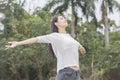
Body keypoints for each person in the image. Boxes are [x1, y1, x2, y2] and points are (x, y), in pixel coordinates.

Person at [5, 15, 86, 80]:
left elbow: (78, 45)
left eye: (64, 18)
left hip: (76, 74)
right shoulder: (54, 36)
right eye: (61, 19)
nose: (65, 19)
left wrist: (81, 48)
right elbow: (36, 39)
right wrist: (18, 43)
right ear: (56, 23)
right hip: (66, 73)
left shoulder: (69, 37)